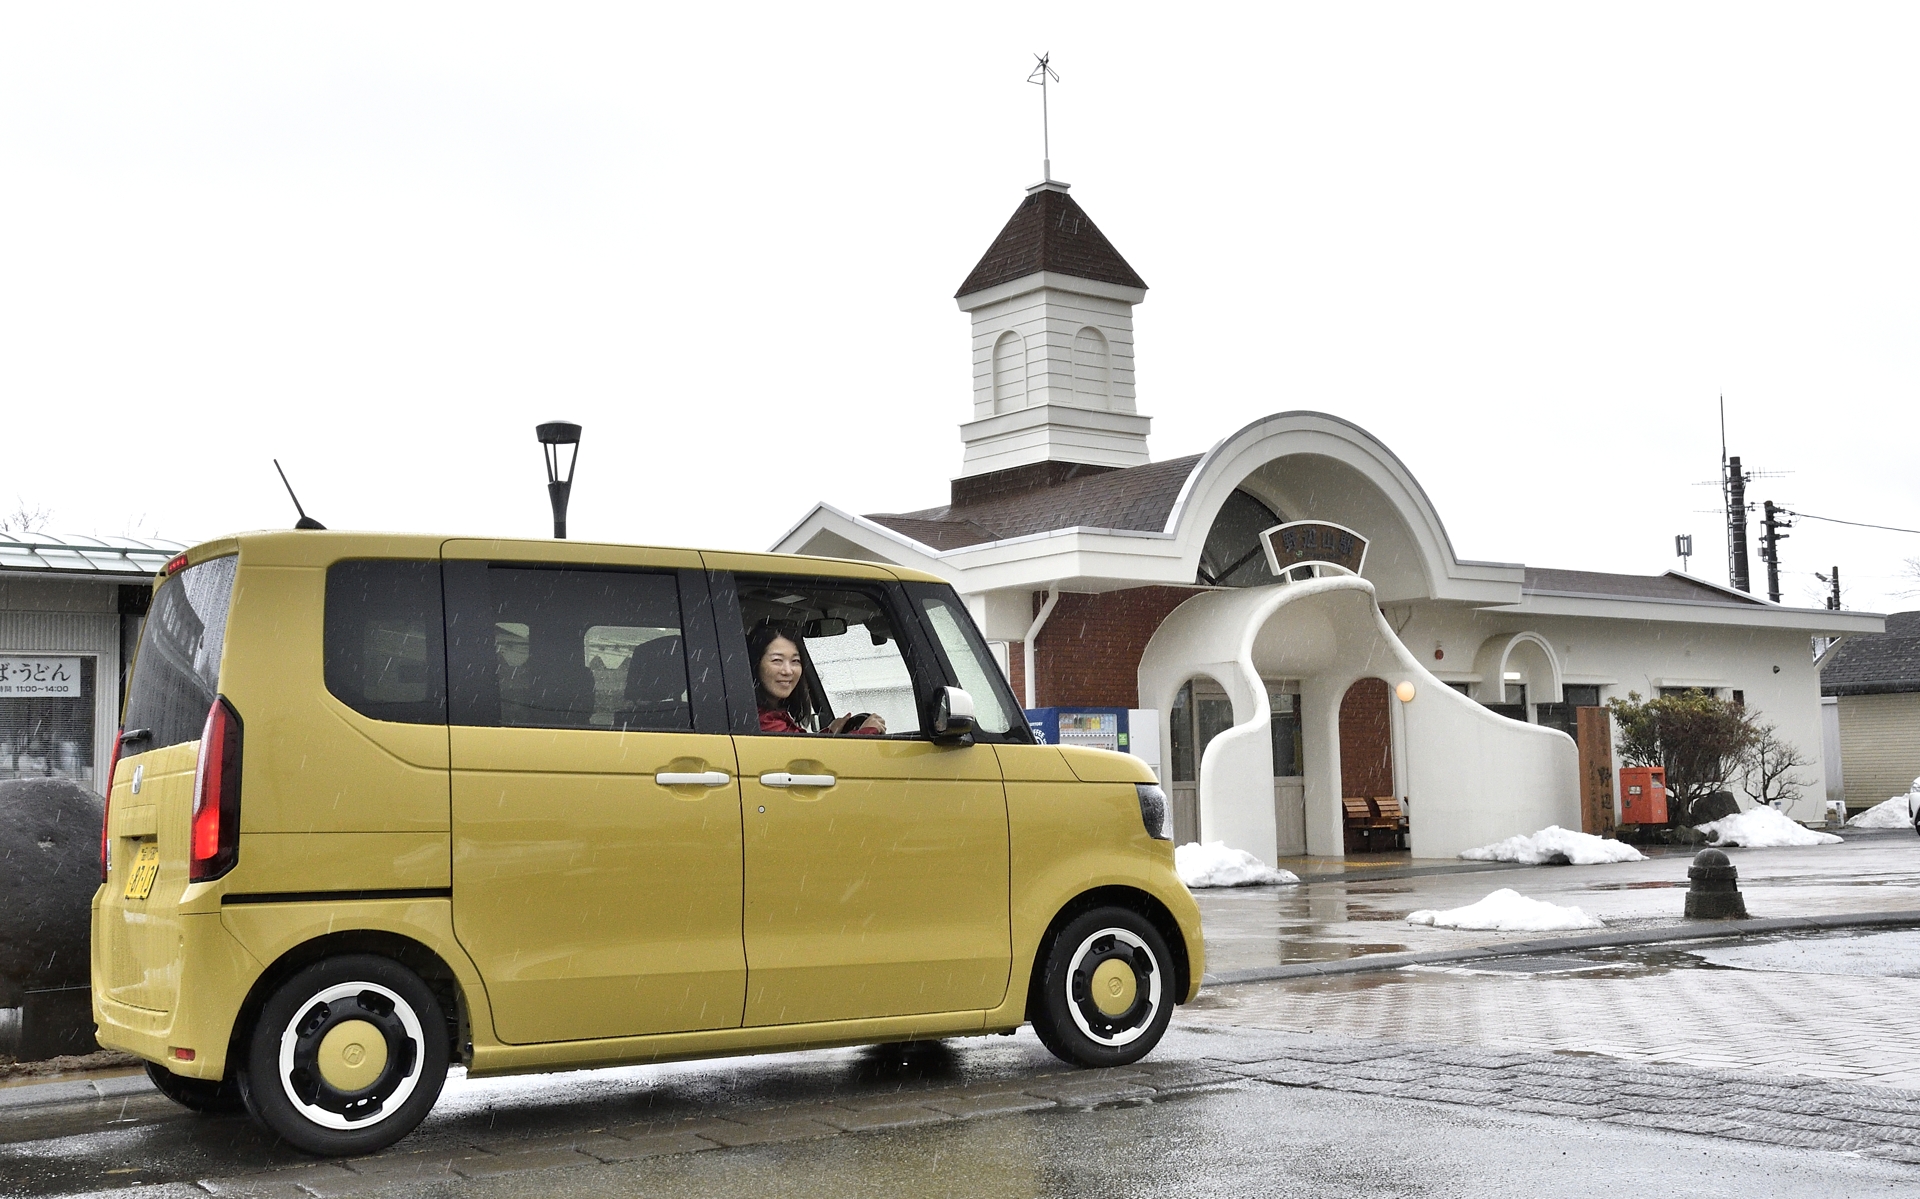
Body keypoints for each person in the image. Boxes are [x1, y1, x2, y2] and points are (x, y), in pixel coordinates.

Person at [748, 620, 885, 735]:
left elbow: (802, 748)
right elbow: (808, 759)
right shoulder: (763, 720)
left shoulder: (765, 715)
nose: (788, 671)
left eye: (795, 661)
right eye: (777, 660)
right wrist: (866, 732)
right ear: (755, 665)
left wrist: (830, 732)